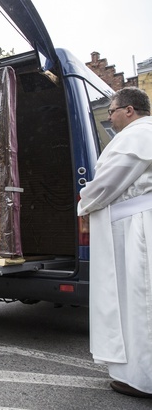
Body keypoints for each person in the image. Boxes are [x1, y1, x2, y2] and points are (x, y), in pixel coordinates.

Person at [77, 87, 152, 399]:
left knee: (137, 301)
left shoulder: (138, 136)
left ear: (130, 110)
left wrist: (83, 202)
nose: (109, 117)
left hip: (135, 229)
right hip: (134, 222)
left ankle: (141, 378)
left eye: (112, 111)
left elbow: (108, 182)